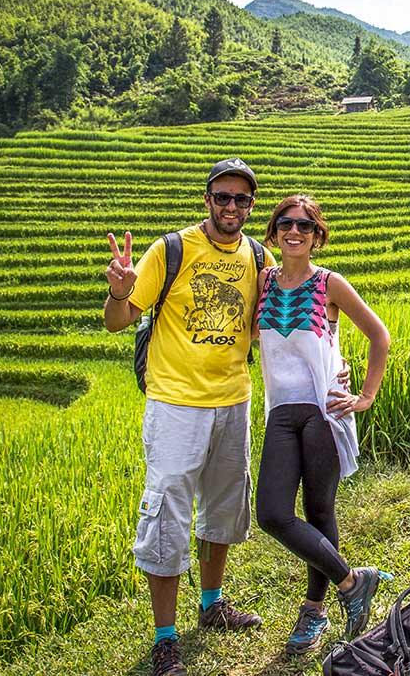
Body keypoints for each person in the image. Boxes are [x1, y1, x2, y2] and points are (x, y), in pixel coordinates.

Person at [103, 158, 269, 676]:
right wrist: (118, 287)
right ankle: (165, 637)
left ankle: (212, 604)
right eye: (223, 197)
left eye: (242, 199)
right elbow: (117, 322)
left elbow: (266, 330)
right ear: (207, 200)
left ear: (250, 205)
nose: (232, 207)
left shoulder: (257, 257)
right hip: (175, 404)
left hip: (234, 399)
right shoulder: (171, 250)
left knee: (223, 506)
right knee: (167, 514)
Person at [253, 194, 392, 655]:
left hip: (324, 413)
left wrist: (365, 396)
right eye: (286, 224)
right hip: (280, 412)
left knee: (318, 511)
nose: (295, 232)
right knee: (272, 513)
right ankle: (354, 582)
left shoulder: (330, 284)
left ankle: (313, 611)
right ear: (274, 232)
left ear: (317, 236)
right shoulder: (263, 281)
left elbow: (379, 335)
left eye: (305, 226)